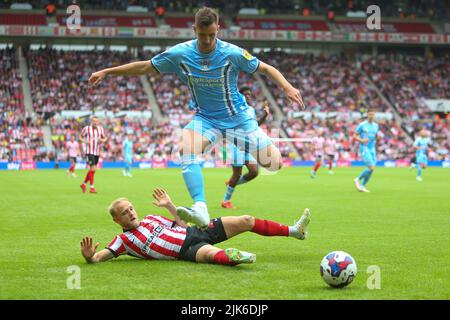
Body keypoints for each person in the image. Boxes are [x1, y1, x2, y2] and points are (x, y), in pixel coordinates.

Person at [88, 7, 304, 227]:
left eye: (212, 34)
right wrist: (107, 71)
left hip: (238, 119)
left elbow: (266, 68)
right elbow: (145, 67)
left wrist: (287, 87)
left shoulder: (232, 53)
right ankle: (200, 207)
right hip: (206, 119)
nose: (208, 40)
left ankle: (256, 142)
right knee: (186, 149)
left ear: (218, 29)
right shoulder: (180, 54)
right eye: (202, 35)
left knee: (274, 164)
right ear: (194, 30)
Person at [80, 188, 311, 266]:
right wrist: (91, 257)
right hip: (185, 251)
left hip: (194, 232)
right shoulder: (122, 242)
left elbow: (182, 223)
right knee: (212, 255)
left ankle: (295, 231)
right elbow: (100, 257)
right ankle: (235, 257)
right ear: (117, 220)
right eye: (124, 212)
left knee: (247, 220)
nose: (131, 213)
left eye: (131, 208)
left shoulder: (151, 218)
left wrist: (170, 205)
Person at [222, 86, 271, 209]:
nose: (248, 96)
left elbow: (254, 126)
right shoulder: (235, 109)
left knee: (254, 172)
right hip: (237, 144)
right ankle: (226, 201)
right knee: (237, 174)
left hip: (248, 145)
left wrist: (264, 115)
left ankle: (232, 183)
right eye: (245, 94)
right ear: (240, 96)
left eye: (249, 94)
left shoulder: (251, 110)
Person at [353, 109, 379, 193]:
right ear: (367, 115)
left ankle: (362, 186)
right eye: (370, 114)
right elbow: (354, 135)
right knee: (371, 167)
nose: (371, 116)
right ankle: (357, 179)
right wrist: (361, 140)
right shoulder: (362, 125)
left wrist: (377, 139)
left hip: (372, 148)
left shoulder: (376, 125)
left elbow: (375, 136)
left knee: (372, 169)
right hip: (364, 147)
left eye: (373, 114)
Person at [79, 116, 106, 194]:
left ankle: (83, 184)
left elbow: (104, 138)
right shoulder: (86, 129)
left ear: (98, 122)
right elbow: (80, 136)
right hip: (89, 151)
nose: (95, 122)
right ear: (91, 121)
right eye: (94, 121)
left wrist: (101, 140)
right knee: (93, 169)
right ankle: (92, 188)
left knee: (93, 170)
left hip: (97, 152)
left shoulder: (101, 129)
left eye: (96, 121)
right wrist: (85, 141)